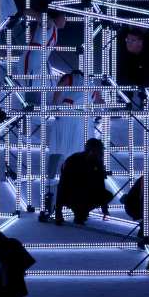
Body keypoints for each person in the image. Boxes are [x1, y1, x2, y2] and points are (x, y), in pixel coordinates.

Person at [46, 70, 102, 209]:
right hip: (83, 118)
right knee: (76, 151)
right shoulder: (91, 84)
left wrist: (54, 106)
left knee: (58, 147)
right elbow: (100, 101)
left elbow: (60, 88)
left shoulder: (73, 77)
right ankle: (67, 180)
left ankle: (51, 179)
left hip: (69, 113)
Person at [54, 138, 114, 225]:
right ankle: (80, 212)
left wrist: (105, 210)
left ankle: (82, 212)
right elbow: (62, 184)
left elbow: (100, 185)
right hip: (72, 194)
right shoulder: (73, 160)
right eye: (99, 151)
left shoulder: (97, 162)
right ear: (91, 150)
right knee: (81, 196)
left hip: (87, 192)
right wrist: (58, 212)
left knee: (107, 195)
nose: (102, 153)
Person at [16, 9, 67, 104]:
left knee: (39, 89)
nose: (65, 20)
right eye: (64, 17)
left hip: (38, 62)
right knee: (33, 92)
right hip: (33, 61)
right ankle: (29, 113)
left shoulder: (54, 28)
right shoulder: (50, 23)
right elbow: (41, 17)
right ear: (57, 17)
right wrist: (21, 12)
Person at [116, 27, 149, 107]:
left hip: (146, 77)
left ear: (140, 42)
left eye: (133, 40)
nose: (129, 43)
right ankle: (124, 101)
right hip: (128, 76)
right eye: (128, 40)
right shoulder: (122, 53)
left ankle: (147, 103)